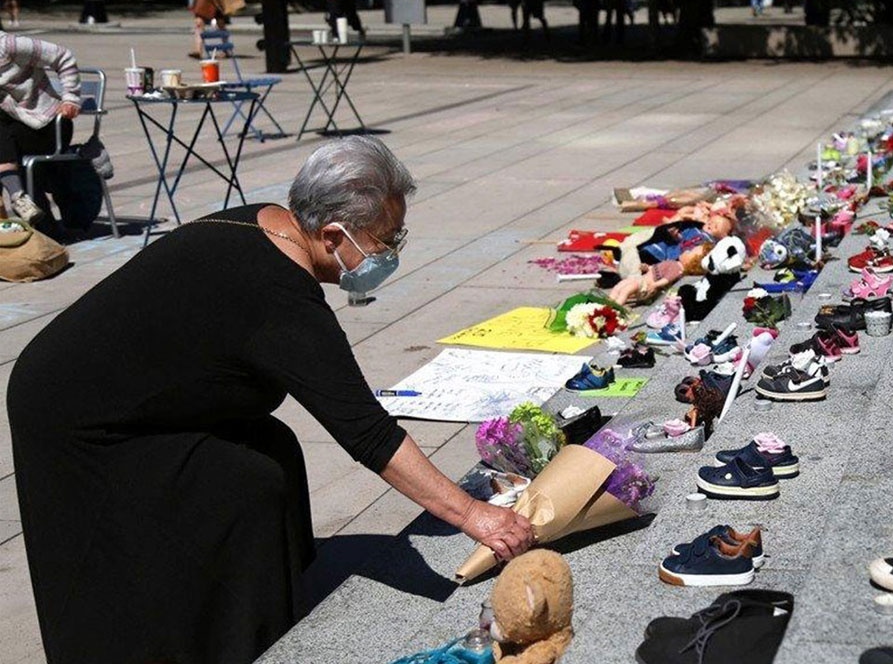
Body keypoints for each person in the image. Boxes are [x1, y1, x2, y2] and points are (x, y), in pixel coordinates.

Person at [9, 136, 534, 663]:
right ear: (333, 234)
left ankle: (262, 609)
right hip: (80, 419)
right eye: (385, 239)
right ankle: (226, 638)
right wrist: (472, 515)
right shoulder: (282, 298)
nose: (391, 253)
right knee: (245, 484)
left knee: (271, 445)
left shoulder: (270, 222)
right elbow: (367, 432)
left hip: (107, 391)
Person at [0, 33, 78, 224]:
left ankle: (17, 196)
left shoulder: (9, 45)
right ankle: (20, 201)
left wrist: (70, 98)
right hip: (13, 130)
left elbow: (64, 57)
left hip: (48, 125)